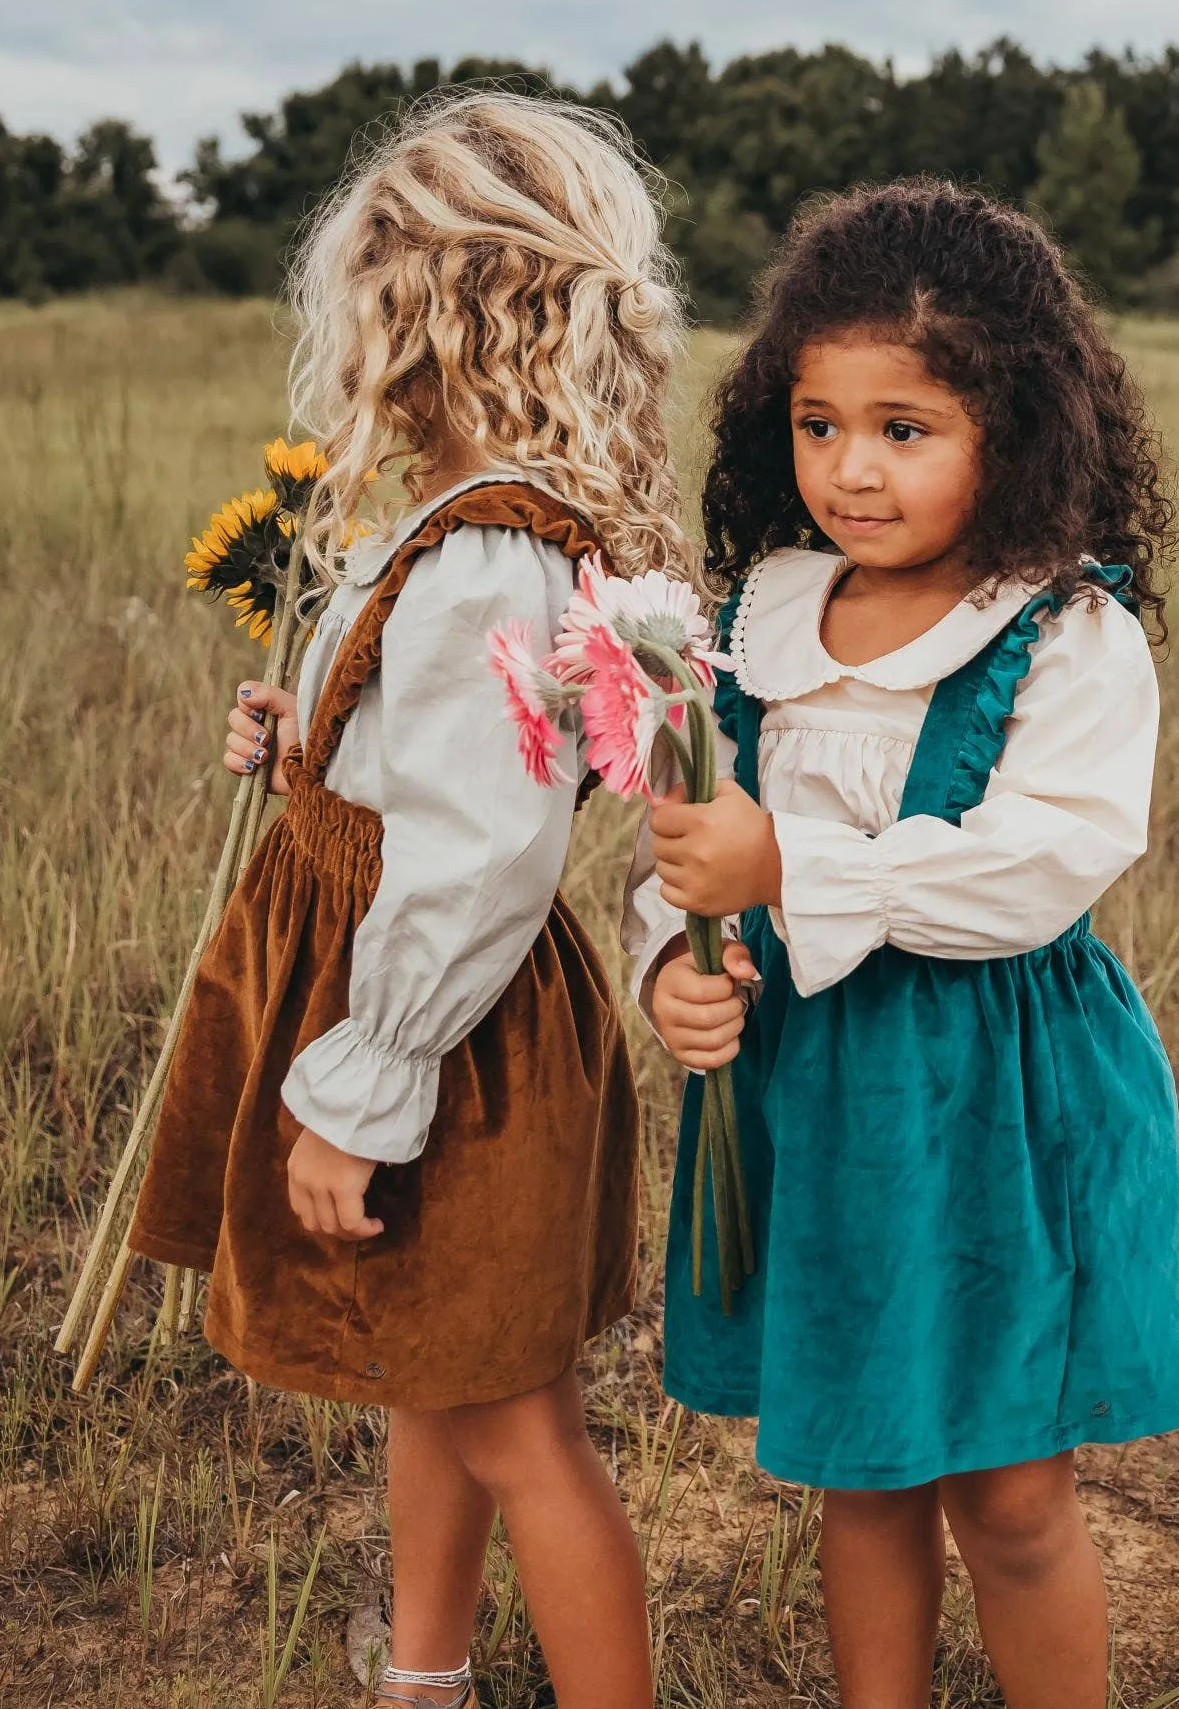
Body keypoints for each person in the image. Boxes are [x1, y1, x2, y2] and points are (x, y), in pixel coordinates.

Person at [128, 92, 682, 1709]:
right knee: (432, 1380)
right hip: (432, 1000)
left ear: (439, 306)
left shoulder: (488, 553)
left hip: (444, 1030)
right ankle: (422, 1672)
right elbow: (426, 756)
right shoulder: (455, 525)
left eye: (372, 284)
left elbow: (479, 853)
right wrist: (304, 738)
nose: (354, 324)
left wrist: (364, 1091)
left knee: (517, 1425)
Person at [628, 180, 1179, 1709]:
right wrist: (676, 968)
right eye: (818, 424)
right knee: (863, 1468)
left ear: (1008, 431)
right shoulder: (756, 612)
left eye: (905, 427)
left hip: (993, 1095)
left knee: (1010, 1492)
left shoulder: (1060, 625)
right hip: (812, 1092)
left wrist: (794, 865)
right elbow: (685, 841)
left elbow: (1047, 862)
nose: (852, 471)